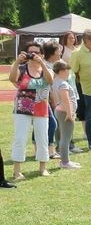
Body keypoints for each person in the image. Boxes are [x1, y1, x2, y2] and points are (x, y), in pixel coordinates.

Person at [9, 42, 54, 181]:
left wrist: (42, 63)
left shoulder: (46, 68)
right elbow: (12, 79)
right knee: (20, 138)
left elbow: (50, 79)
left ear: (42, 54)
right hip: (23, 107)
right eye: (31, 52)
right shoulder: (22, 68)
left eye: (37, 52)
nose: (33, 55)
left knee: (42, 138)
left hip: (41, 107)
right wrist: (17, 62)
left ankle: (43, 168)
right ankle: (17, 171)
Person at [51, 62, 80, 169]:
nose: (68, 73)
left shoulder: (55, 82)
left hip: (59, 110)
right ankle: (65, 162)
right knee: (65, 138)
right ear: (62, 71)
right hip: (64, 112)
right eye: (67, 70)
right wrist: (69, 113)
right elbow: (66, 99)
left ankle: (65, 160)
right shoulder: (63, 84)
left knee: (63, 137)